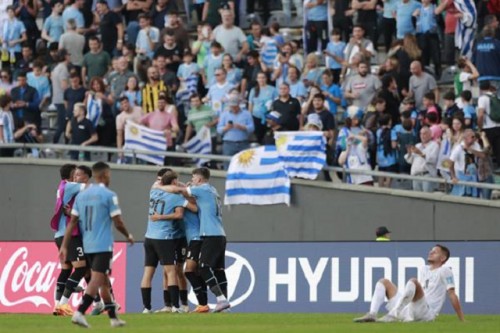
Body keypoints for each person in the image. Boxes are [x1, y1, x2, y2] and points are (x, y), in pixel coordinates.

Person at [60, 162, 134, 328]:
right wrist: (128, 235)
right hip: (102, 245)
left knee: (104, 281)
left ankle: (114, 318)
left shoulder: (82, 195)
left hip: (86, 243)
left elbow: (72, 222)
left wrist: (64, 245)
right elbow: (118, 221)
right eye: (109, 174)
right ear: (105, 175)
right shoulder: (109, 195)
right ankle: (80, 312)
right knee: (97, 278)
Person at [155, 167, 230, 312]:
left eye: (194, 177)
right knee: (218, 270)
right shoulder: (212, 190)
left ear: (200, 179)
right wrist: (186, 186)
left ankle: (220, 300)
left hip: (210, 234)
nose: (192, 180)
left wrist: (159, 186)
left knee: (203, 267)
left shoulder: (201, 189)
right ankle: (224, 304)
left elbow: (179, 191)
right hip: (220, 234)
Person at [353, 244, 464, 323]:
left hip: (426, 313)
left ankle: (393, 315)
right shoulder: (424, 269)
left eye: (435, 252)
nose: (430, 252)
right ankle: (372, 314)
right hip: (410, 309)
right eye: (431, 250)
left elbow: (452, 294)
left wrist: (461, 319)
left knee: (413, 281)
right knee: (384, 282)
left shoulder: (445, 271)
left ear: (443, 258)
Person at [140, 170, 197, 313]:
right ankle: (175, 307)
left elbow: (164, 186)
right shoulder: (176, 198)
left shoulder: (153, 191)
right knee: (171, 272)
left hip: (149, 237)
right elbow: (186, 212)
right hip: (165, 238)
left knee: (148, 273)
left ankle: (147, 308)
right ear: (173, 182)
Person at [50, 164, 86, 316]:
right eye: (75, 174)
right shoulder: (70, 186)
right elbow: (90, 187)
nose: (77, 176)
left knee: (66, 270)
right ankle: (63, 305)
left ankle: (57, 305)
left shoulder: (61, 186)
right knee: (81, 268)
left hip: (58, 235)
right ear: (71, 175)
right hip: (68, 235)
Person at [405, 126, 440, 192]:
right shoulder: (418, 145)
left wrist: (420, 153)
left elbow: (433, 159)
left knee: (427, 197)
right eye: (421, 134)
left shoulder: (434, 145)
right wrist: (409, 153)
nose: (422, 136)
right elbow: (410, 161)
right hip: (416, 175)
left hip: (427, 175)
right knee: (417, 198)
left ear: (430, 135)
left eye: (424, 134)